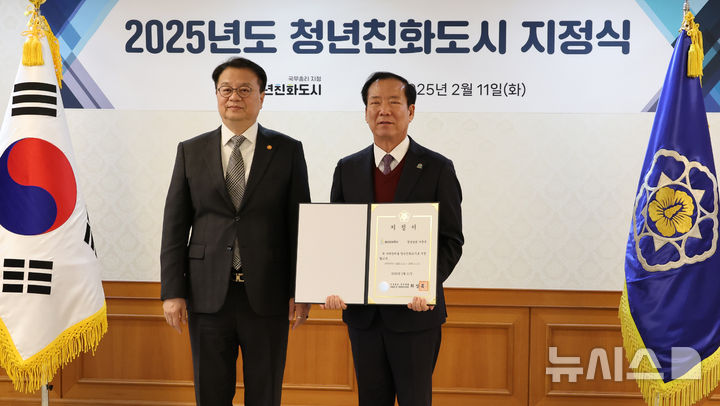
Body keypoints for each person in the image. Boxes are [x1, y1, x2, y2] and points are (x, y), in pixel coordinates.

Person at [160, 57, 311, 406]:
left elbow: (300, 225)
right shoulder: (191, 150)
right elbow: (174, 226)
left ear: (262, 96)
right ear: (216, 95)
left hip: (269, 295)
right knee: (211, 393)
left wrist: (301, 290)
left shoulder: (287, 150)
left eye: (245, 90)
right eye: (226, 89)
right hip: (207, 294)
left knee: (265, 393)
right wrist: (173, 291)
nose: (234, 97)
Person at [323, 71, 464, 406]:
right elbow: (338, 237)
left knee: (416, 400)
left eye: (393, 102)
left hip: (415, 314)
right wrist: (334, 282)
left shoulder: (437, 168)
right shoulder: (347, 168)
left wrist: (426, 284)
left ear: (410, 111)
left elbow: (451, 240)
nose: (383, 110)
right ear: (365, 113)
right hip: (364, 317)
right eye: (375, 103)